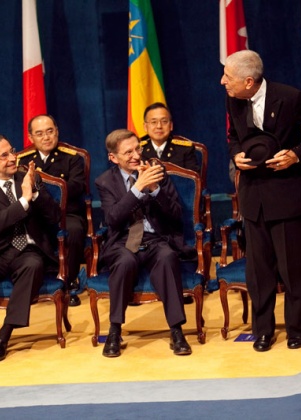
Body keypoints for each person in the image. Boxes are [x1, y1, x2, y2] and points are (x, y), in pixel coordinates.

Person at [221, 50, 301, 351]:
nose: (222, 82)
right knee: (259, 272)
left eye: (227, 77)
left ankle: (296, 328)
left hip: (286, 195)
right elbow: (233, 136)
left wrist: (296, 154)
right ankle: (264, 331)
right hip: (253, 197)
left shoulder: (290, 97)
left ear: (248, 81)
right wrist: (236, 155)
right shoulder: (234, 98)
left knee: (292, 268)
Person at [0, 134, 61, 362]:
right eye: (4, 155)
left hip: (27, 249)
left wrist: (34, 192)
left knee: (34, 265)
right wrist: (24, 201)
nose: (13, 158)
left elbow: (54, 217)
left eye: (12, 151)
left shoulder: (28, 179)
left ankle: (4, 336)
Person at [95, 128, 192, 358]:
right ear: (113, 157)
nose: (136, 155)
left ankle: (176, 331)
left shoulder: (157, 172)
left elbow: (176, 214)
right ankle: (115, 330)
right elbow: (113, 219)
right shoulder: (105, 181)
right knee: (125, 261)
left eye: (138, 148)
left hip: (155, 238)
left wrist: (154, 189)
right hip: (123, 240)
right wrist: (138, 190)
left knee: (167, 257)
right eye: (128, 152)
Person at [18, 114, 87, 307]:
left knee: (73, 230)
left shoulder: (72, 158)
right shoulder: (22, 161)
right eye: (39, 134)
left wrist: (43, 190)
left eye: (50, 131)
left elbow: (76, 187)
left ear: (56, 132)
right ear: (31, 137)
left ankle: (70, 282)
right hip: (35, 215)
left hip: (66, 213)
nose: (46, 137)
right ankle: (41, 279)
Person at [140, 102, 200, 173]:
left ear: (171, 126)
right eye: (154, 122)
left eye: (164, 121)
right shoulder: (139, 151)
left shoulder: (185, 150)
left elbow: (194, 180)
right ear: (145, 127)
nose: (159, 126)